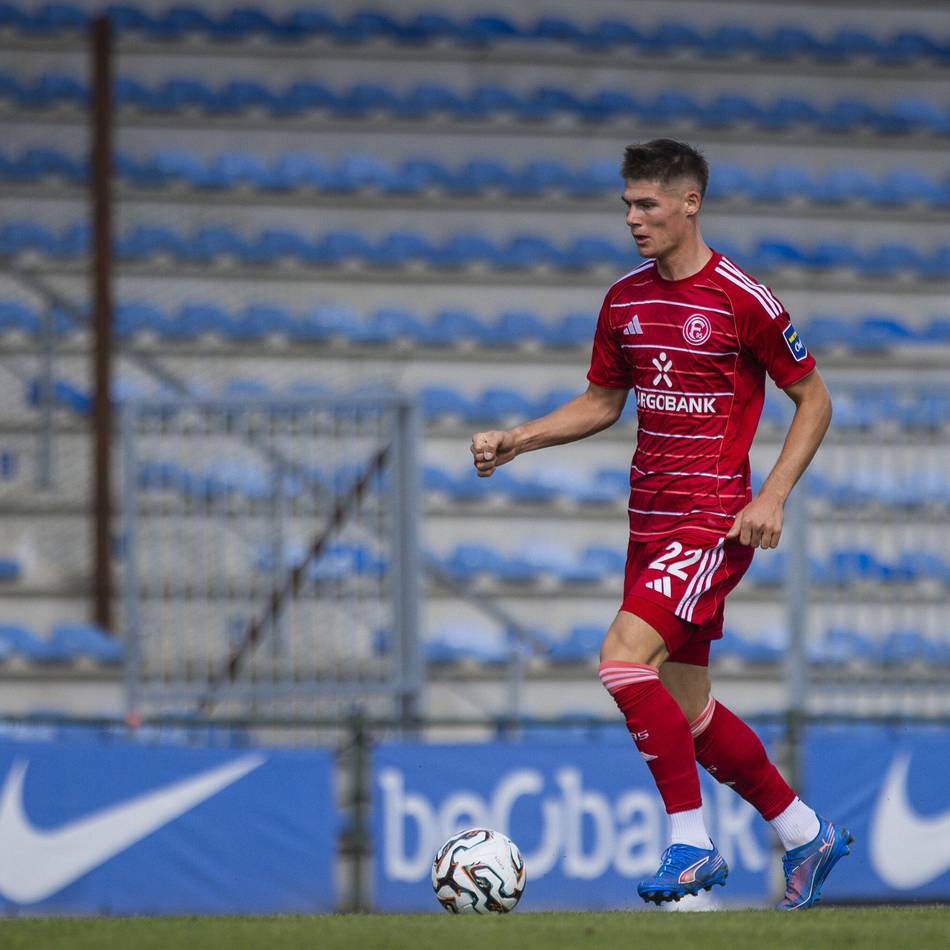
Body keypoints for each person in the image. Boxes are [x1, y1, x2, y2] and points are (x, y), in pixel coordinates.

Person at [470, 139, 851, 909]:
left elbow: (815, 399)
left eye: (647, 205)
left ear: (690, 203)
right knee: (689, 711)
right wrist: (520, 438)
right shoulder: (624, 299)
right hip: (648, 525)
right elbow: (604, 402)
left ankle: (691, 844)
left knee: (619, 660)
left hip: (712, 520)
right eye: (628, 206)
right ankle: (805, 830)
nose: (634, 219)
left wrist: (771, 494)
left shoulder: (744, 298)